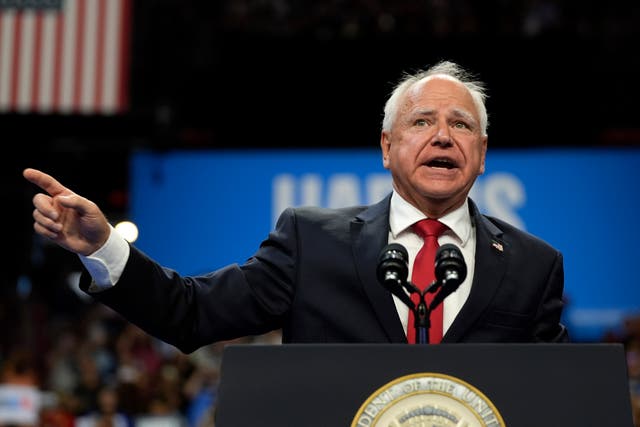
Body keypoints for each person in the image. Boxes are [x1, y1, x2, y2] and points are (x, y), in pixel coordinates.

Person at [23, 60, 568, 352]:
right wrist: (102, 247)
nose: (443, 137)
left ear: (481, 154)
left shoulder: (531, 263)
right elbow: (192, 313)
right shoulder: (313, 241)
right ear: (386, 147)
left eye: (462, 125)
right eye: (422, 122)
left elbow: (564, 396)